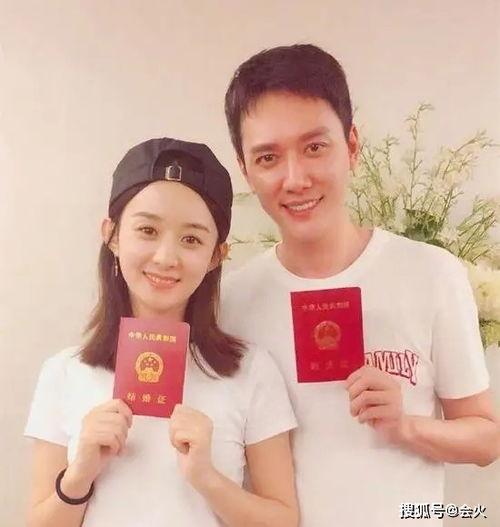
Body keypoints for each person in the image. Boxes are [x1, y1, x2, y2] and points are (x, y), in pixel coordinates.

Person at [220, 44, 500, 526]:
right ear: (245, 170)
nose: (295, 179)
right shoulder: (231, 304)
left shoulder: (432, 273)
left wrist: (405, 426)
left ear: (352, 146)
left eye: (315, 147)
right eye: (268, 157)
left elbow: (486, 439)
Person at [24, 138, 299, 527]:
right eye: (147, 230)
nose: (166, 257)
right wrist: (79, 475)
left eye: (191, 239)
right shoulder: (64, 372)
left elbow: (283, 520)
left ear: (216, 255)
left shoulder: (251, 371)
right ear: (112, 235)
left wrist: (207, 479)